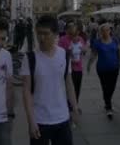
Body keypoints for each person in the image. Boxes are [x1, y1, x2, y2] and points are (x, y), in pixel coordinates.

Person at [21, 15, 79, 145]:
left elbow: (69, 84)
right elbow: (26, 92)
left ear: (55, 34)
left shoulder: (64, 55)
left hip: (62, 118)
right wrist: (31, 121)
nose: (41, 38)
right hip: (40, 120)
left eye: (46, 34)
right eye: (39, 33)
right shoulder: (30, 58)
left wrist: (75, 108)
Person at [87, 23, 120, 119]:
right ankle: (108, 107)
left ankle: (107, 102)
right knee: (105, 87)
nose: (106, 32)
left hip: (114, 68)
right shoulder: (97, 42)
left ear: (110, 31)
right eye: (103, 30)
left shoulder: (115, 40)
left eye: (107, 30)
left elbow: (118, 51)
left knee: (112, 87)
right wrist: (89, 64)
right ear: (100, 32)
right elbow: (93, 54)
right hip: (102, 69)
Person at [58, 21, 87, 103]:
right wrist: (68, 54)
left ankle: (75, 103)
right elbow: (59, 54)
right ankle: (68, 104)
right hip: (66, 68)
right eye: (70, 28)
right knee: (68, 88)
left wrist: (84, 50)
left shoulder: (80, 39)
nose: (72, 30)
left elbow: (84, 51)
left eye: (74, 27)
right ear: (67, 30)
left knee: (77, 87)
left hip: (78, 67)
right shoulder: (62, 40)